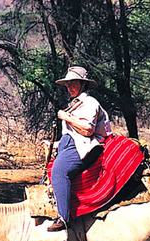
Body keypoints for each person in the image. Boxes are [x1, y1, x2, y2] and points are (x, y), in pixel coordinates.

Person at [48, 66, 112, 232]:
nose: (69, 87)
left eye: (73, 83)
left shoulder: (90, 103)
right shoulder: (75, 104)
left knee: (59, 172)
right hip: (71, 145)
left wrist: (66, 117)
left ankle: (64, 217)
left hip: (85, 147)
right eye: (67, 84)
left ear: (83, 84)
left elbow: (87, 130)